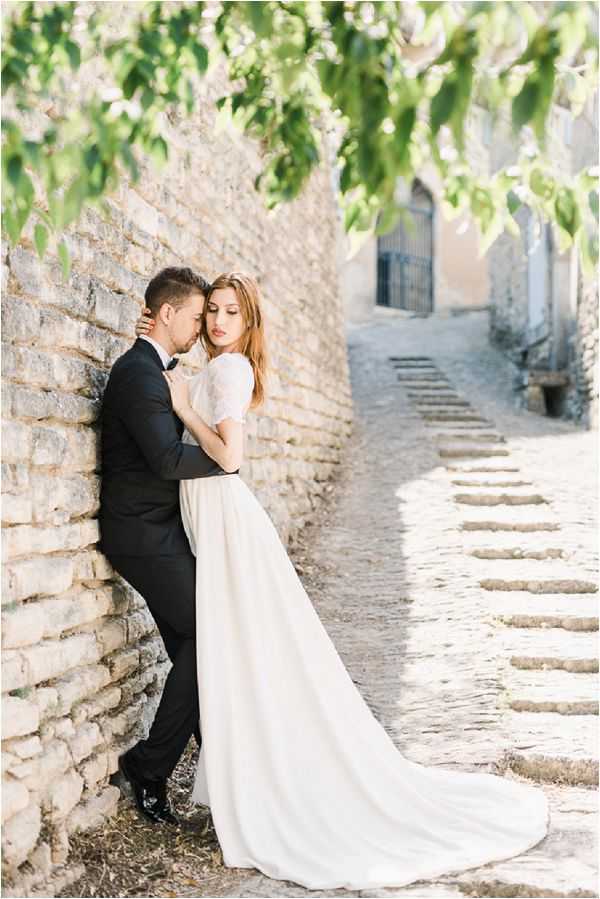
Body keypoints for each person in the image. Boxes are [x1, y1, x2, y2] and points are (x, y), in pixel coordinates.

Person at [134, 272, 550, 890]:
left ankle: (246, 774)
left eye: (230, 314)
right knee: (231, 647)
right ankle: (233, 765)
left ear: (249, 326)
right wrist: (158, 344)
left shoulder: (229, 372)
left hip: (225, 519)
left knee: (233, 644)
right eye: (212, 312)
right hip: (213, 518)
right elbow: (180, 372)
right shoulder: (213, 363)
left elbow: (229, 456)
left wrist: (185, 407)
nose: (218, 323)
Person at [99, 266, 235, 826]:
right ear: (171, 313)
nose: (203, 326)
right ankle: (149, 766)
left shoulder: (154, 368)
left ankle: (219, 764)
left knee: (193, 644)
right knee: (209, 633)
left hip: (159, 529)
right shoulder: (138, 373)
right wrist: (229, 458)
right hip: (141, 534)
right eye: (199, 315)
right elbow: (165, 460)